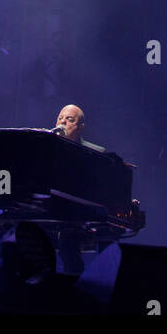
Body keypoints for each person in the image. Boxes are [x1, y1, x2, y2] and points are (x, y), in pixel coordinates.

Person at [54, 103, 105, 273]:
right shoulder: (46, 148)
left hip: (79, 215)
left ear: (80, 126)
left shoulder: (94, 152)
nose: (62, 123)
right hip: (49, 210)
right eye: (60, 118)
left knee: (68, 245)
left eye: (69, 120)